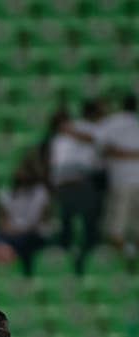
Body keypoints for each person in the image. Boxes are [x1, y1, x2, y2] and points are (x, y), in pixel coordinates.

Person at [49, 106, 103, 276]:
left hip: (82, 182)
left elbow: (96, 140)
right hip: (63, 185)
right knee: (65, 224)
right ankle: (66, 263)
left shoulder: (84, 128)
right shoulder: (57, 140)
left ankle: (88, 259)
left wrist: (73, 132)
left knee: (88, 223)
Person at [99, 94, 139, 268]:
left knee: (117, 229)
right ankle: (130, 259)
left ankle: (127, 260)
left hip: (122, 181)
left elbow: (101, 147)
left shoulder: (111, 122)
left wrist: (124, 155)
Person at [0, 157, 51, 277]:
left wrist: (21, 230)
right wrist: (12, 230)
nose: (22, 175)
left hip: (33, 234)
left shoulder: (40, 193)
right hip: (13, 234)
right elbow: (3, 221)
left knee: (26, 240)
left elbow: (39, 220)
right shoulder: (6, 194)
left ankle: (25, 272)